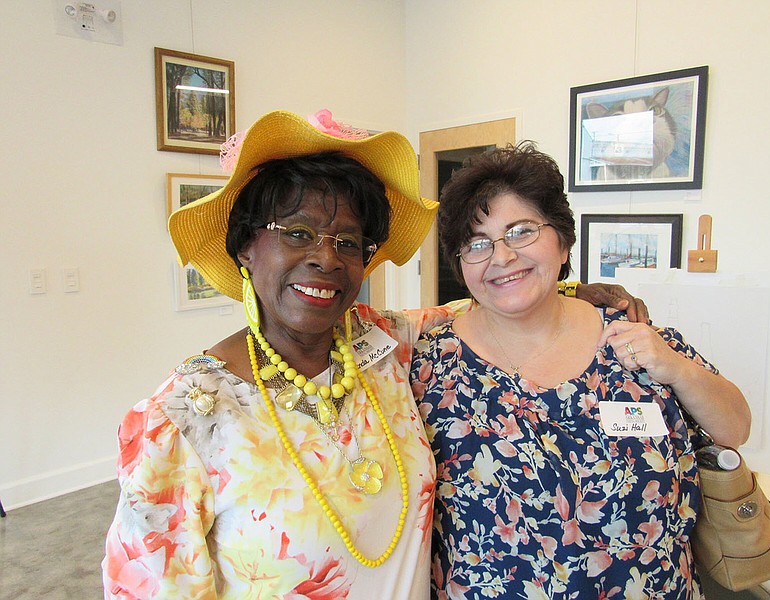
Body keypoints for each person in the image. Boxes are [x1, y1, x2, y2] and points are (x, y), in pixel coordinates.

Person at [102, 111, 647, 599]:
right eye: (298, 232)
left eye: (348, 242)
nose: (326, 258)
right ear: (245, 245)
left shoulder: (385, 350)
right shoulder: (180, 423)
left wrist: (570, 291)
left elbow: (485, 303)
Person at [411, 142, 751, 599]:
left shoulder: (636, 341)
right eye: (478, 244)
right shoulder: (428, 367)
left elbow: (736, 427)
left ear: (563, 242)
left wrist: (676, 368)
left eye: (521, 231)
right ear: (460, 265)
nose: (503, 257)